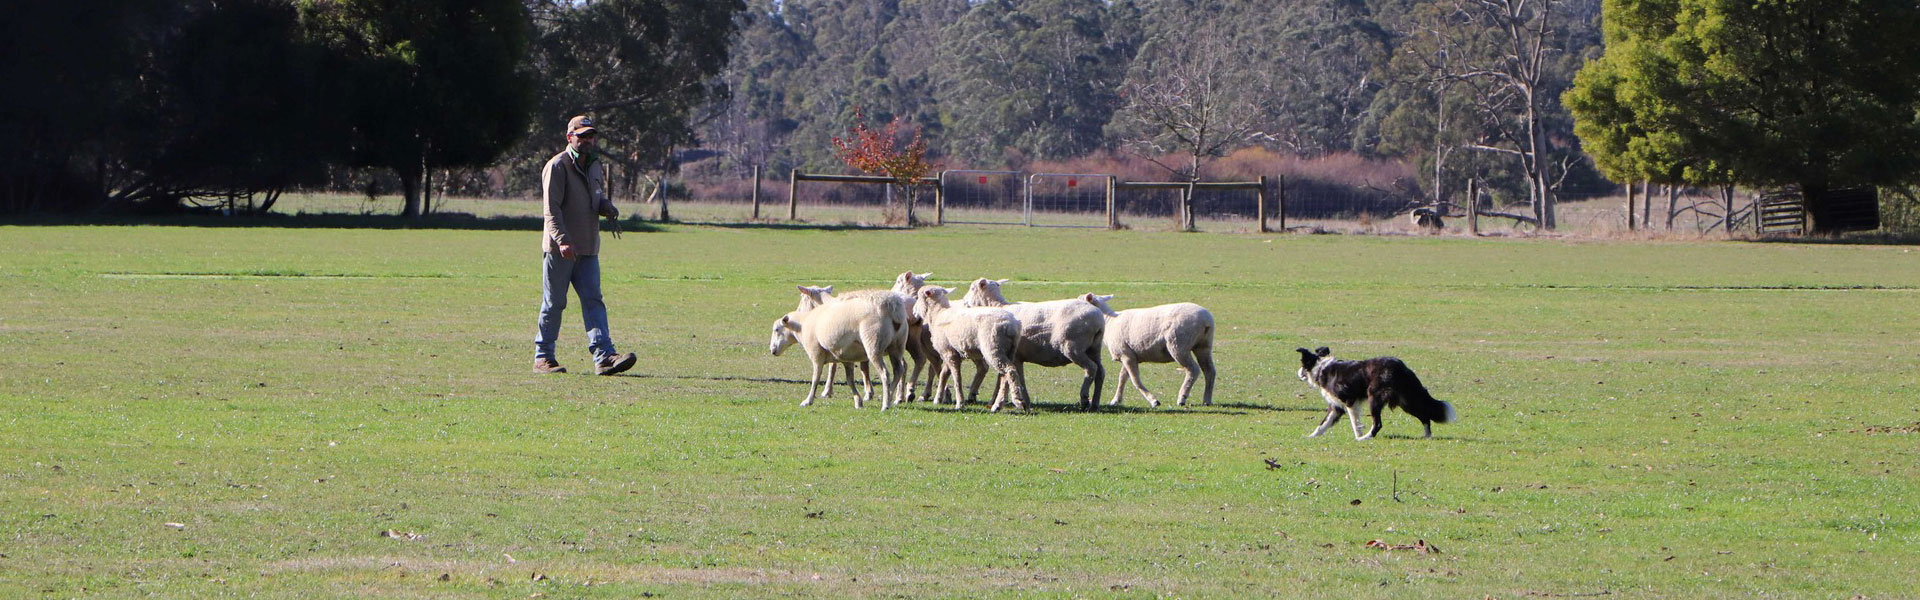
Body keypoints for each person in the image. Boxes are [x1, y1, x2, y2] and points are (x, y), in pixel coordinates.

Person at [533, 115, 637, 375]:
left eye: (591, 136)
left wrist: (606, 206)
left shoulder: (594, 165)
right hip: (561, 250)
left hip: (589, 247)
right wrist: (563, 240)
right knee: (554, 303)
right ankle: (543, 357)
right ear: (570, 138)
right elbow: (551, 209)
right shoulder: (557, 166)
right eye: (582, 136)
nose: (588, 140)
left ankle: (604, 357)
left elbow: (595, 197)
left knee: (594, 301)